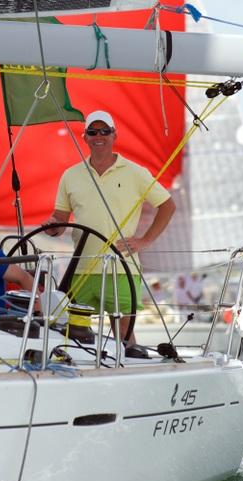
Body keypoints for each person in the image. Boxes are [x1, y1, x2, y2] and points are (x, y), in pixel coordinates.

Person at [44, 110, 176, 342]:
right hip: (81, 268)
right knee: (72, 335)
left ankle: (128, 371)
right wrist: (52, 226)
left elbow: (167, 205)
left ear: (114, 135)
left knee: (124, 333)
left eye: (105, 131)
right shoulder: (70, 175)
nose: (99, 136)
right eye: (93, 131)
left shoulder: (136, 172)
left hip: (121, 268)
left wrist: (145, 241)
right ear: (85, 137)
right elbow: (60, 219)